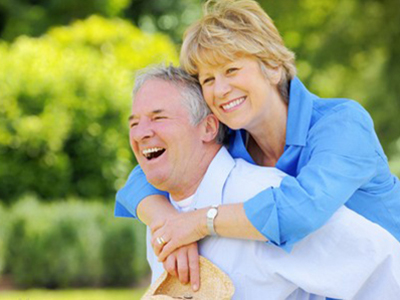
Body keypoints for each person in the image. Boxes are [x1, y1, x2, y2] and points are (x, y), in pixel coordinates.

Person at [115, 0, 400, 289]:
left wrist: (197, 222)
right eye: (208, 79)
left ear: (273, 67)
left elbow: (299, 212)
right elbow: (149, 171)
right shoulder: (230, 135)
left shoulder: (342, 124)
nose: (220, 90)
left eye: (232, 70)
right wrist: (169, 224)